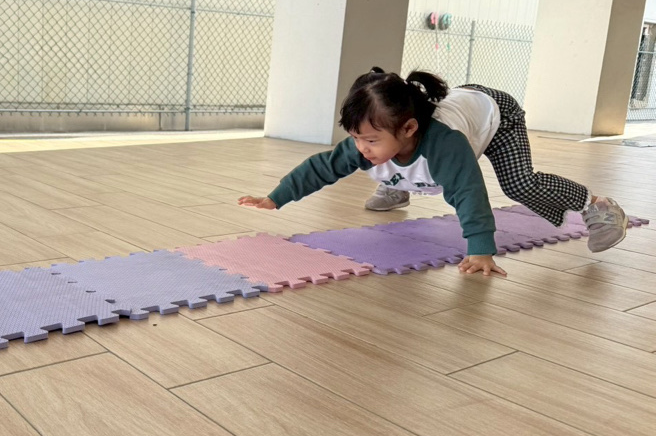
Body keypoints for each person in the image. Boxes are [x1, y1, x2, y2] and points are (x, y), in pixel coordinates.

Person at [238, 68, 629, 277]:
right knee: (380, 159)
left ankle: (598, 205)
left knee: (519, 184)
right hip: (450, 112)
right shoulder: (371, 140)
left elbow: (469, 193)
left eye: (369, 139)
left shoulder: (447, 146)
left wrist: (480, 250)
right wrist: (276, 197)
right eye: (356, 137)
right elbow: (321, 168)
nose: (361, 146)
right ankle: (398, 185)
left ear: (409, 128)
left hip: (495, 115)